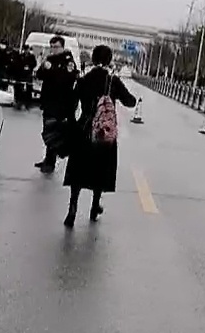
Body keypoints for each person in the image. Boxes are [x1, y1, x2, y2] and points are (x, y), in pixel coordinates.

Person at [63, 44, 136, 226]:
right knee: (100, 170)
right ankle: (95, 206)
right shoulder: (112, 81)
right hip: (103, 132)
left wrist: (73, 125)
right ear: (109, 60)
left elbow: (70, 104)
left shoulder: (84, 80)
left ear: (93, 59)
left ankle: (72, 208)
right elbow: (130, 101)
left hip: (83, 129)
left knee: (78, 171)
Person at [35, 34, 78, 173]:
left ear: (62, 47)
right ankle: (47, 159)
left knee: (54, 132)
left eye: (56, 47)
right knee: (48, 131)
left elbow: (65, 79)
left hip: (61, 104)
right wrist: (44, 68)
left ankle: (51, 162)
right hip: (48, 102)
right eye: (52, 47)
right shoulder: (49, 59)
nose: (53, 49)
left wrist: (51, 70)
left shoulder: (68, 61)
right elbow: (39, 75)